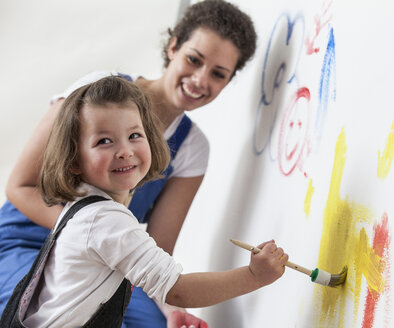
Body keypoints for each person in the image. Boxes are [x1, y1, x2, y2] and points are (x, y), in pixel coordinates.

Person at [0, 0, 257, 327]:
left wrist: (170, 309)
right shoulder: (97, 91)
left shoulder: (192, 148)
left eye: (218, 74)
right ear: (174, 46)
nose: (199, 79)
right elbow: (19, 186)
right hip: (27, 242)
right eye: (194, 59)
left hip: (109, 257)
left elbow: (156, 254)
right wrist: (86, 234)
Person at [3, 76, 287, 327]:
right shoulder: (105, 220)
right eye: (104, 141)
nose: (125, 151)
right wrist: (253, 276)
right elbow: (177, 290)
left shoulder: (86, 208)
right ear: (75, 160)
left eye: (134, 136)